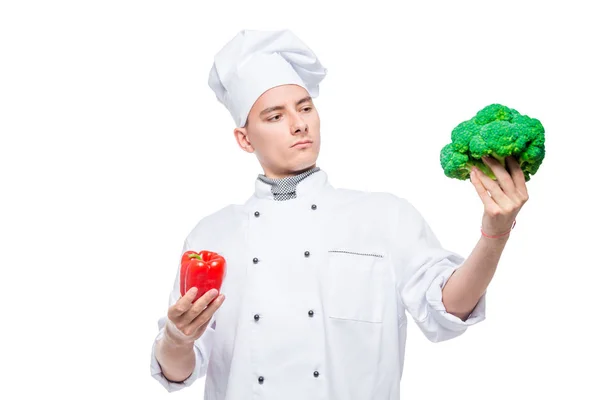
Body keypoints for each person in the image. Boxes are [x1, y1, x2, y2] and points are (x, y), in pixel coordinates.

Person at [150, 29, 529, 399]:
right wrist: (177, 337)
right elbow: (179, 370)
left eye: (305, 108)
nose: (299, 124)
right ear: (245, 139)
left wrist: (494, 233)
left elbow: (449, 308)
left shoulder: (384, 216)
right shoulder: (212, 236)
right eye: (275, 116)